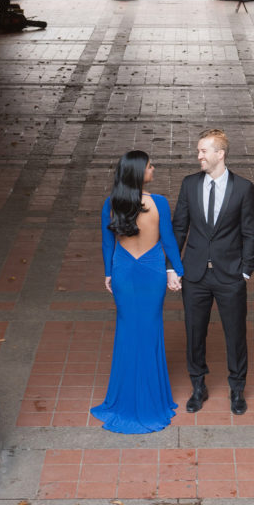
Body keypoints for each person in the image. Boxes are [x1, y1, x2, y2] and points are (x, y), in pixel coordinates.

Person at [91, 151, 184, 434]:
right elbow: (168, 241)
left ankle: (123, 400)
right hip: (152, 273)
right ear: (138, 173)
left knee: (127, 332)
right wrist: (177, 271)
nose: (153, 169)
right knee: (151, 332)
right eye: (149, 166)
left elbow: (108, 244)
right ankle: (152, 401)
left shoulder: (111, 204)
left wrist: (108, 273)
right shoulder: (159, 203)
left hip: (123, 271)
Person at [171, 129, 254, 416]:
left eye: (203, 151)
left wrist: (245, 271)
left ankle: (237, 389)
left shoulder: (243, 188)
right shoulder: (189, 184)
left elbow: (250, 231)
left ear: (220, 154)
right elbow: (179, 228)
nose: (199, 156)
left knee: (236, 335)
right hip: (194, 275)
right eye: (198, 151)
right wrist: (172, 267)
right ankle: (198, 386)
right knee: (194, 333)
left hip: (230, 275)